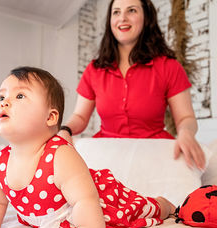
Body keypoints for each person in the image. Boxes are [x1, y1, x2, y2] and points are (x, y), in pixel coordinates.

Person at [0, 66, 175, 228]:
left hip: (104, 205)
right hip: (57, 218)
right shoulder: (0, 162)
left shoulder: (60, 155)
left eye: (20, 96)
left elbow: (85, 201)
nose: (4, 102)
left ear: (51, 117)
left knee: (141, 209)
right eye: (1, 96)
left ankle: (165, 204)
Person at [58, 0, 206, 170]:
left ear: (146, 17)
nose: (122, 18)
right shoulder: (94, 69)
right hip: (107, 152)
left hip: (154, 154)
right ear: (110, 21)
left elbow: (185, 118)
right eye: (116, 12)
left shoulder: (169, 66)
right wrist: (65, 129)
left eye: (132, 11)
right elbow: (80, 117)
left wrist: (186, 133)